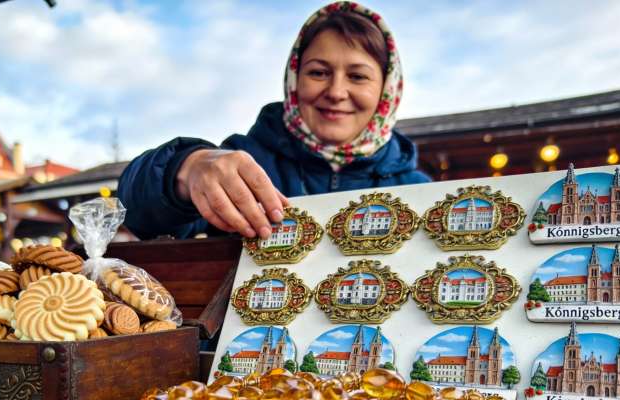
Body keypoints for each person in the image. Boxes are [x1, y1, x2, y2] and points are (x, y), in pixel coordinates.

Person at [119, 2, 430, 241]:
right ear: (294, 79)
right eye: (318, 72)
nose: (336, 92)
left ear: (387, 89)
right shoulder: (244, 160)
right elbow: (135, 212)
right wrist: (185, 170)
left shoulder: (420, 192)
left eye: (357, 76)